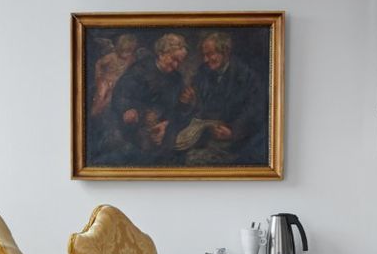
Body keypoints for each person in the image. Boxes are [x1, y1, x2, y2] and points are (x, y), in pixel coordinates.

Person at [102, 33, 191, 165]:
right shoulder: (139, 70)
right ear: (161, 53)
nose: (176, 65)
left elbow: (175, 109)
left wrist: (183, 104)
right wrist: (128, 109)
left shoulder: (176, 78)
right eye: (173, 59)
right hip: (138, 124)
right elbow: (121, 96)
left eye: (179, 62)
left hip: (165, 127)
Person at [180, 31, 267, 166]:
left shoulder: (246, 77)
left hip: (236, 142)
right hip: (205, 137)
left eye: (210, 54)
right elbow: (198, 106)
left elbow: (255, 111)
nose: (205, 59)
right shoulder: (203, 72)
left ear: (225, 52)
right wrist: (189, 101)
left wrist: (233, 131)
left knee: (193, 161)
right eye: (204, 55)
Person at [89, 33, 141, 117]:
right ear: (119, 48)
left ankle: (100, 113)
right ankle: (93, 112)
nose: (126, 54)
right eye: (124, 51)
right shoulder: (112, 56)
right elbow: (99, 63)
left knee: (109, 99)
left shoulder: (131, 59)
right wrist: (98, 76)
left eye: (129, 51)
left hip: (118, 84)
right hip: (105, 80)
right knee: (101, 94)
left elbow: (133, 71)